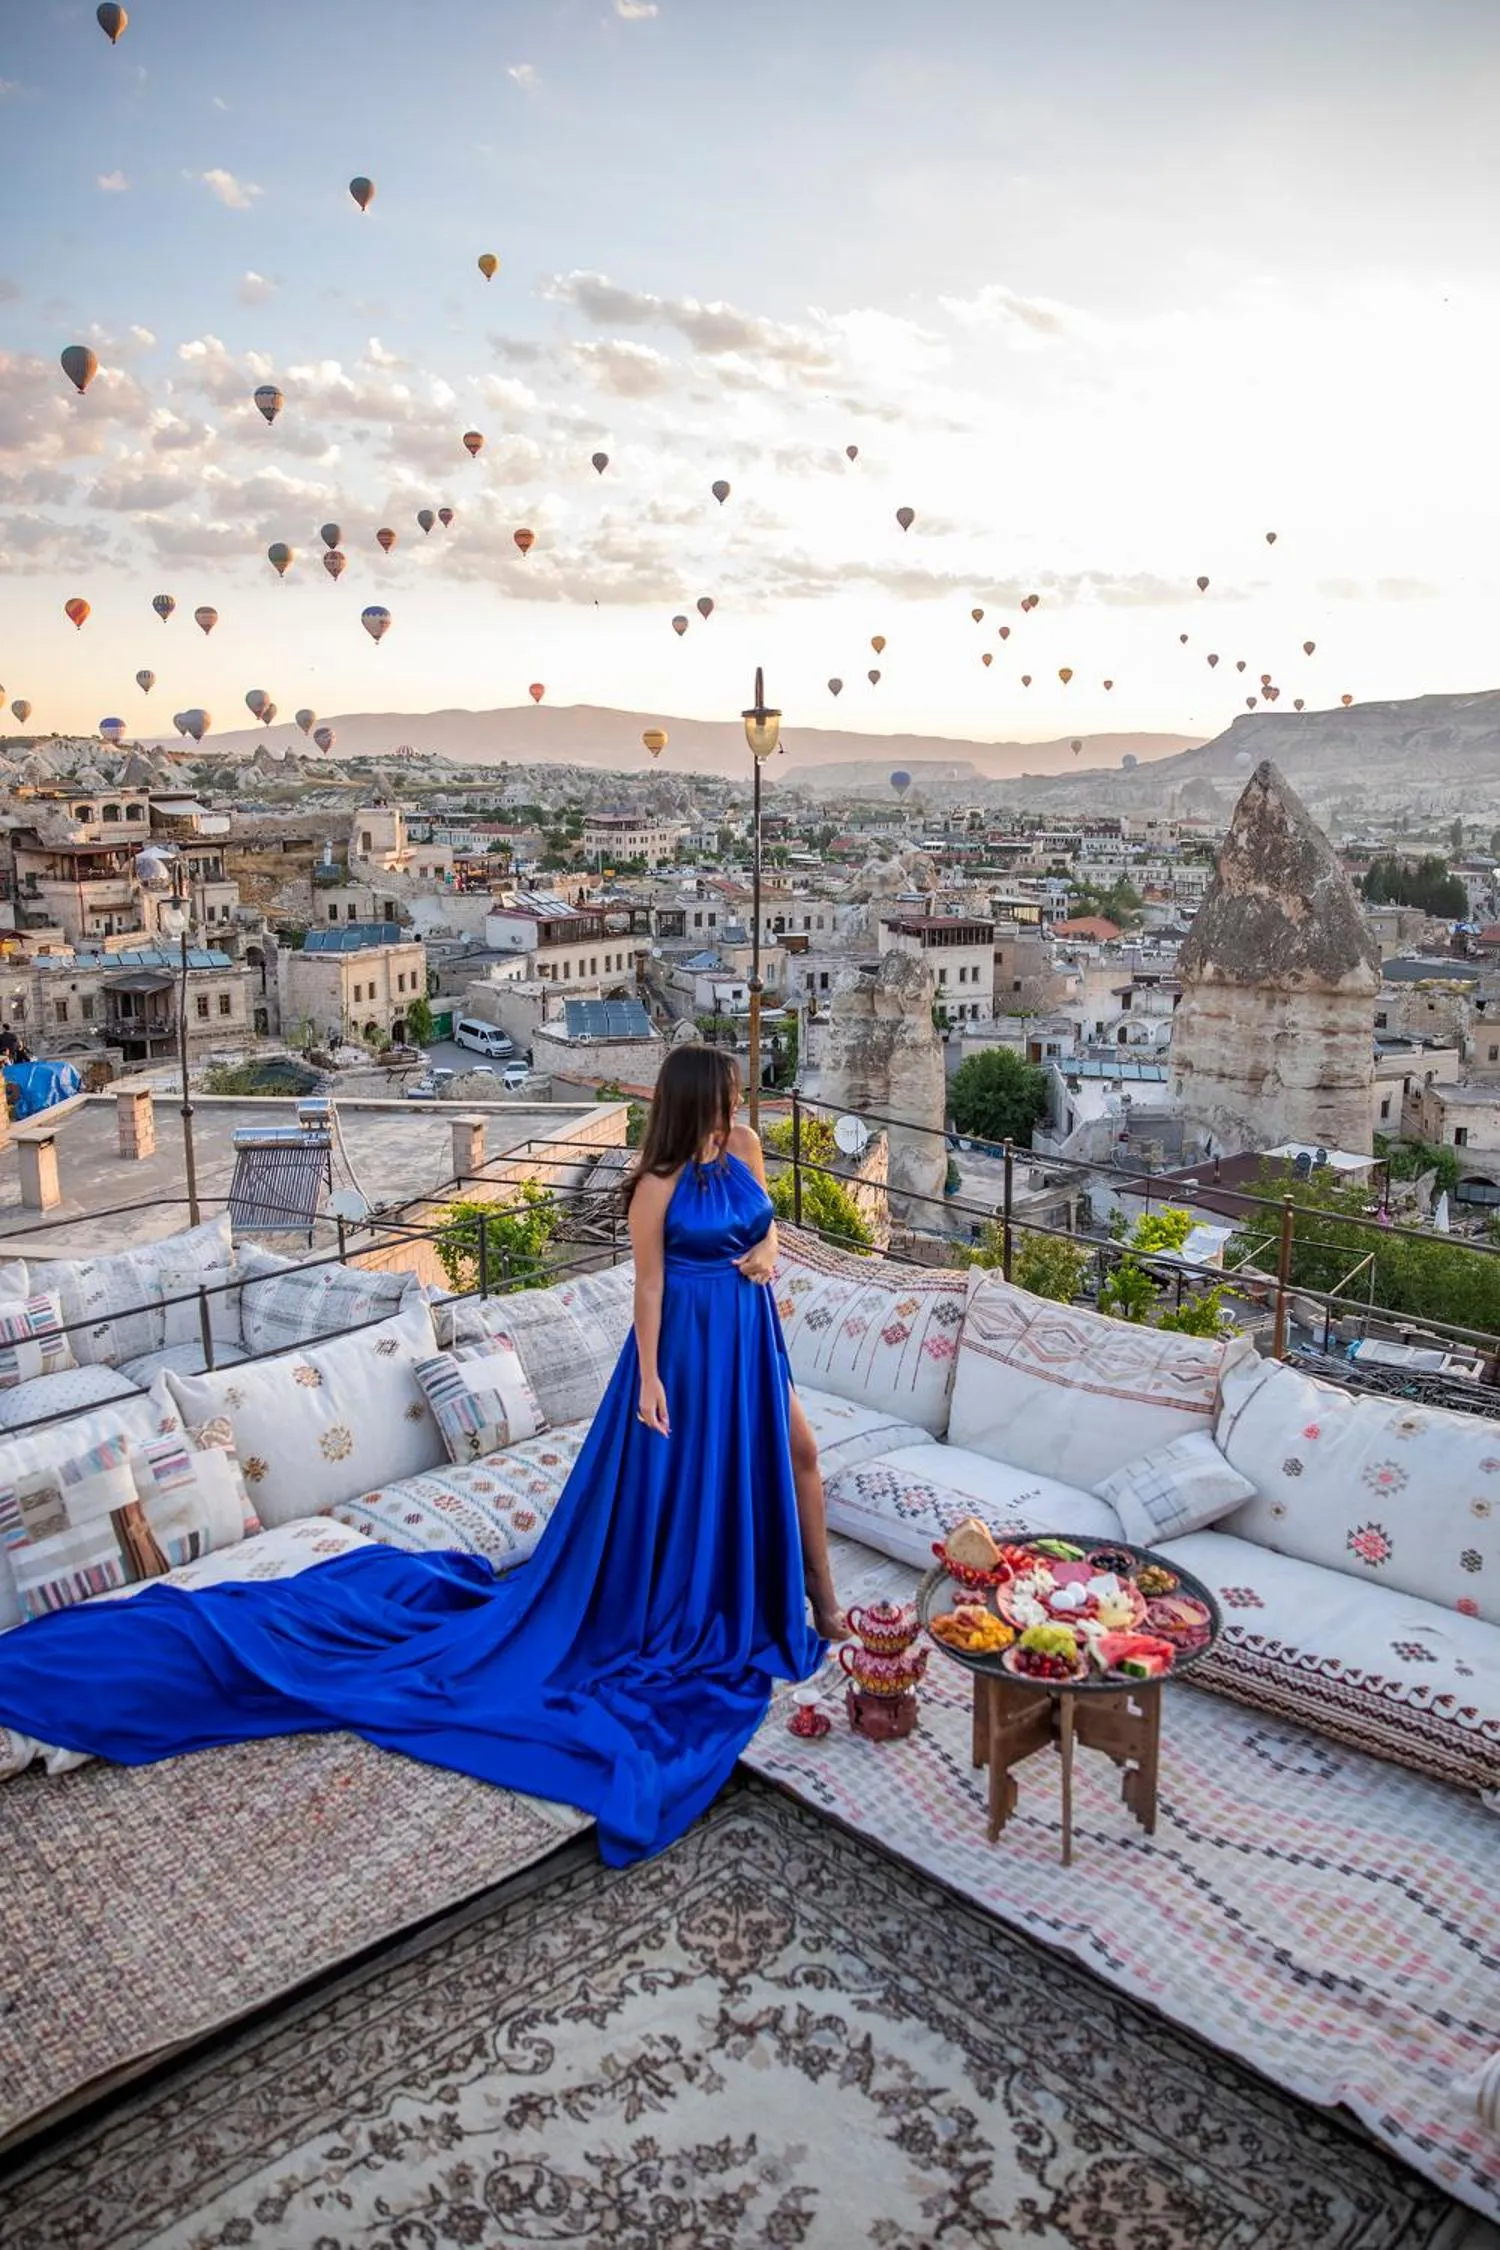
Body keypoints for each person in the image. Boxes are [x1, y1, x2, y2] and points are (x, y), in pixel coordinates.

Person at [0, 1045, 838, 1865]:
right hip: (686, 1352)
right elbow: (648, 1287)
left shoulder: (747, 1148)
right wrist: (651, 1377)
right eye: (727, 1096)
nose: (738, 1108)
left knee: (792, 1453)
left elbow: (765, 1229)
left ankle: (814, 1608)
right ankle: (742, 1609)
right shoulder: (653, 1187)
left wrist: (766, 1252)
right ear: (695, 1101)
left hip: (748, 1335)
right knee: (688, 1497)